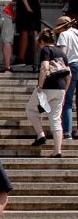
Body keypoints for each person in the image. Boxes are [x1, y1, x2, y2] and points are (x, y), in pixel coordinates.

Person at [26, 29, 71, 157]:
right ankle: (57, 151)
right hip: (60, 89)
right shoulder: (62, 54)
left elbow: (44, 67)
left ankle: (41, 134)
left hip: (47, 87)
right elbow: (69, 75)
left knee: (31, 110)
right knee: (55, 119)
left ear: (42, 41)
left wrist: (40, 86)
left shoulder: (46, 50)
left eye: (38, 43)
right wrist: (65, 90)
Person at [55, 15, 78, 139]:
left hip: (72, 66)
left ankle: (67, 132)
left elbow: (62, 55)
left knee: (67, 100)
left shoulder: (64, 35)